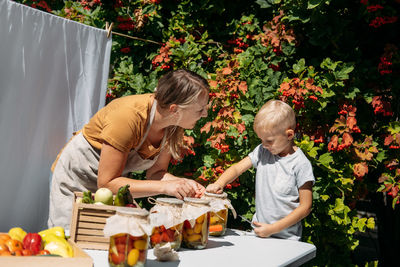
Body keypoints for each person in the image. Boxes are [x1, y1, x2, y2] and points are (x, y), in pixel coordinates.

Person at [49, 69, 209, 229]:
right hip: (78, 180)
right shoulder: (127, 117)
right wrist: (166, 187)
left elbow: (156, 173)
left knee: (112, 239)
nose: (205, 114)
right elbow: (107, 183)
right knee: (71, 239)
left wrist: (183, 183)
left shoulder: (173, 125)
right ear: (175, 109)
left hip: (115, 185)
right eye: (200, 110)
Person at [206, 99, 314, 240]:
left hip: (287, 240)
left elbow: (305, 207)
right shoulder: (262, 152)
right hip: (260, 234)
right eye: (261, 140)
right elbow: (237, 168)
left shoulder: (300, 164)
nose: (264, 145)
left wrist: (273, 229)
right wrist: (219, 183)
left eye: (269, 141)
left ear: (289, 135)